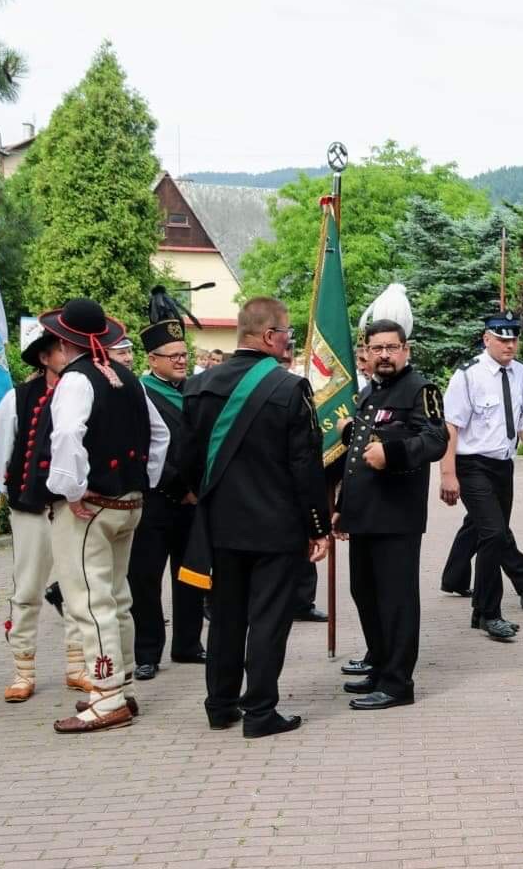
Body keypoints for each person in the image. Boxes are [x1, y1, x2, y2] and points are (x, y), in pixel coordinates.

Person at [180, 295, 331, 738]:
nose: (288, 341)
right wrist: (317, 526)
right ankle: (261, 712)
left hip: (220, 527)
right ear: (268, 336)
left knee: (226, 618)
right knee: (268, 619)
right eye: (285, 333)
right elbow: (305, 466)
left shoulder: (198, 385)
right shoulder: (289, 388)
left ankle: (220, 706)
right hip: (275, 528)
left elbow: (186, 459)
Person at [40, 302, 171, 733]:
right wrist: (143, 481)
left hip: (92, 509)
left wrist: (71, 489)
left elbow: (66, 434)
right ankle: (120, 683)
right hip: (128, 503)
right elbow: (160, 434)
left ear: (64, 341)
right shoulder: (128, 377)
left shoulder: (76, 379)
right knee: (116, 596)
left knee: (89, 602)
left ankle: (107, 694)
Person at [336, 318, 447, 710]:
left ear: (406, 350)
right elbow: (358, 455)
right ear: (366, 352)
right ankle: (380, 666)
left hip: (397, 514)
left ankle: (398, 683)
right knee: (365, 593)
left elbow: (436, 439)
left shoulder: (421, 390)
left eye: (391, 347)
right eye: (377, 348)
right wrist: (342, 508)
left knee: (395, 600)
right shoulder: (370, 392)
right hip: (365, 513)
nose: (384, 355)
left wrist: (392, 453)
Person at [0, 326, 85, 700]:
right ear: (44, 358)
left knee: (76, 587)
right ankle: (22, 670)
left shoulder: (86, 393)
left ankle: (77, 666)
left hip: (73, 508)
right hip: (32, 509)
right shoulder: (19, 398)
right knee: (27, 588)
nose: (70, 355)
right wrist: (19, 494)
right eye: (62, 348)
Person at [438, 314, 523, 637]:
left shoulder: (519, 372)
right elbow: (450, 426)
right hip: (472, 466)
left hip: (503, 466)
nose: (509, 345)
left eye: (513, 339)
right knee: (495, 534)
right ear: (487, 339)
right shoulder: (468, 375)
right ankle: (489, 612)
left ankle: (479, 610)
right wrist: (448, 473)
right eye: (502, 339)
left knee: (490, 535)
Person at [127, 302, 203, 681]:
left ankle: (188, 643)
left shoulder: (196, 390)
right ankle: (147, 652)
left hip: (193, 502)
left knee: (190, 575)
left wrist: (197, 488)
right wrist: (178, 486)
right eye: (173, 356)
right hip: (155, 500)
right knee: (145, 579)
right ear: (152, 359)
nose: (181, 361)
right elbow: (142, 448)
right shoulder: (138, 393)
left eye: (184, 354)